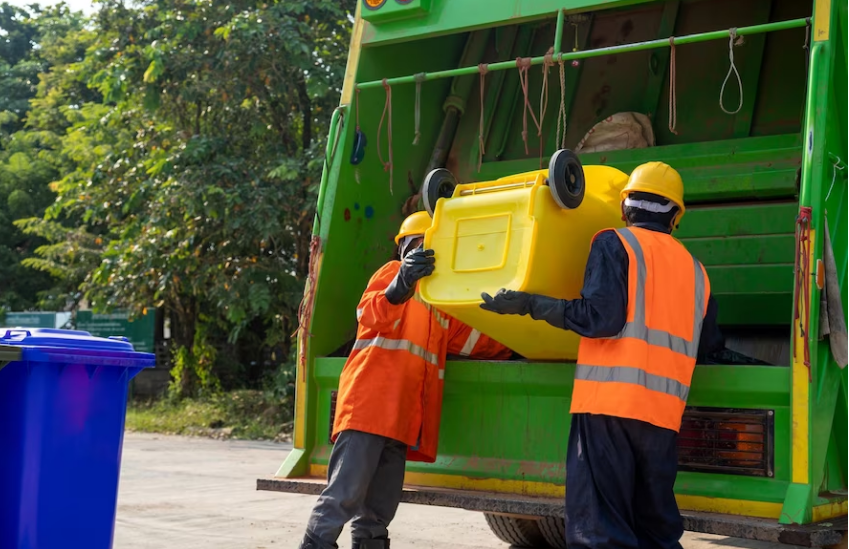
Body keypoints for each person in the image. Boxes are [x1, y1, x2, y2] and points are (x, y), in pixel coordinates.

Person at [479, 162, 723, 549]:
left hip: (608, 406)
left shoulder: (615, 242)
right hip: (662, 416)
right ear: (676, 216)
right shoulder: (698, 271)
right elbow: (709, 345)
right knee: (655, 529)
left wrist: (529, 303)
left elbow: (600, 319)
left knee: (601, 530)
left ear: (626, 208)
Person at [299, 211, 512, 549]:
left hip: (401, 419)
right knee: (344, 495)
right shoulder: (389, 274)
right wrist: (401, 285)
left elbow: (476, 341)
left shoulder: (440, 305)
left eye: (428, 246)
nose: (422, 252)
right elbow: (369, 312)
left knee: (379, 508)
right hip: (369, 411)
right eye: (415, 246)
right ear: (403, 251)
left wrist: (518, 333)